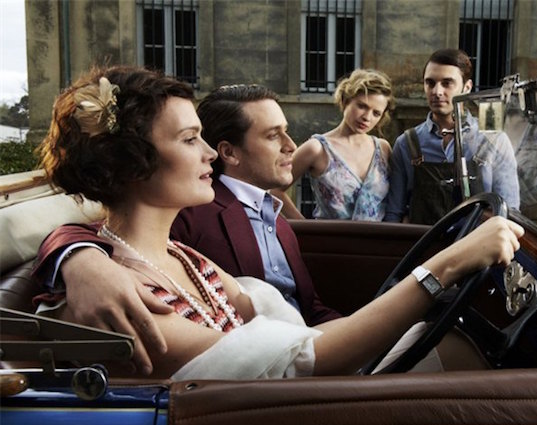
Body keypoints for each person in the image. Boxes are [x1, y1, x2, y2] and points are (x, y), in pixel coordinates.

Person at [36, 65, 523, 380]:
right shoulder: (120, 298)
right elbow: (302, 360)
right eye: (189, 140)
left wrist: (77, 257)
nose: (210, 154)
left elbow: (282, 321)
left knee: (459, 345)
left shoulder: (182, 257)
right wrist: (447, 265)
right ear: (132, 163)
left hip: (283, 399)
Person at [33, 84, 343, 375]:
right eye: (190, 139)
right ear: (133, 161)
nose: (292, 146)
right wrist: (78, 258)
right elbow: (110, 231)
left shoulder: (266, 217)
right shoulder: (190, 213)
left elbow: (309, 308)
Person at [384, 49, 520, 225]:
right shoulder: (406, 144)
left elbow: (509, 213)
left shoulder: (493, 141)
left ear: (467, 87)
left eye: (447, 83)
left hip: (478, 248)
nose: (437, 91)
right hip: (425, 249)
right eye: (430, 83)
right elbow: (393, 214)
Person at [272, 69, 394, 221]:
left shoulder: (383, 149)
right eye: (362, 106)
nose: (367, 117)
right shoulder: (317, 148)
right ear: (345, 100)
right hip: (330, 241)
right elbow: (274, 191)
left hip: (378, 242)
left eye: (376, 113)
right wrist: (305, 227)